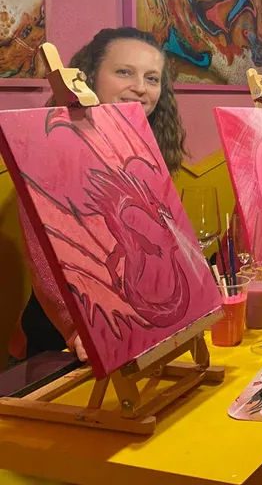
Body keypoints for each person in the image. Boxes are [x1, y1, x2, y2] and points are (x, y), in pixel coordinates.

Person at [9, 27, 186, 364]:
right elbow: (44, 255)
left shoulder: (142, 146)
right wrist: (77, 326)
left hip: (133, 325)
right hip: (64, 341)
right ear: (89, 76)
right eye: (124, 72)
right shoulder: (52, 145)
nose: (140, 87)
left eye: (152, 78)